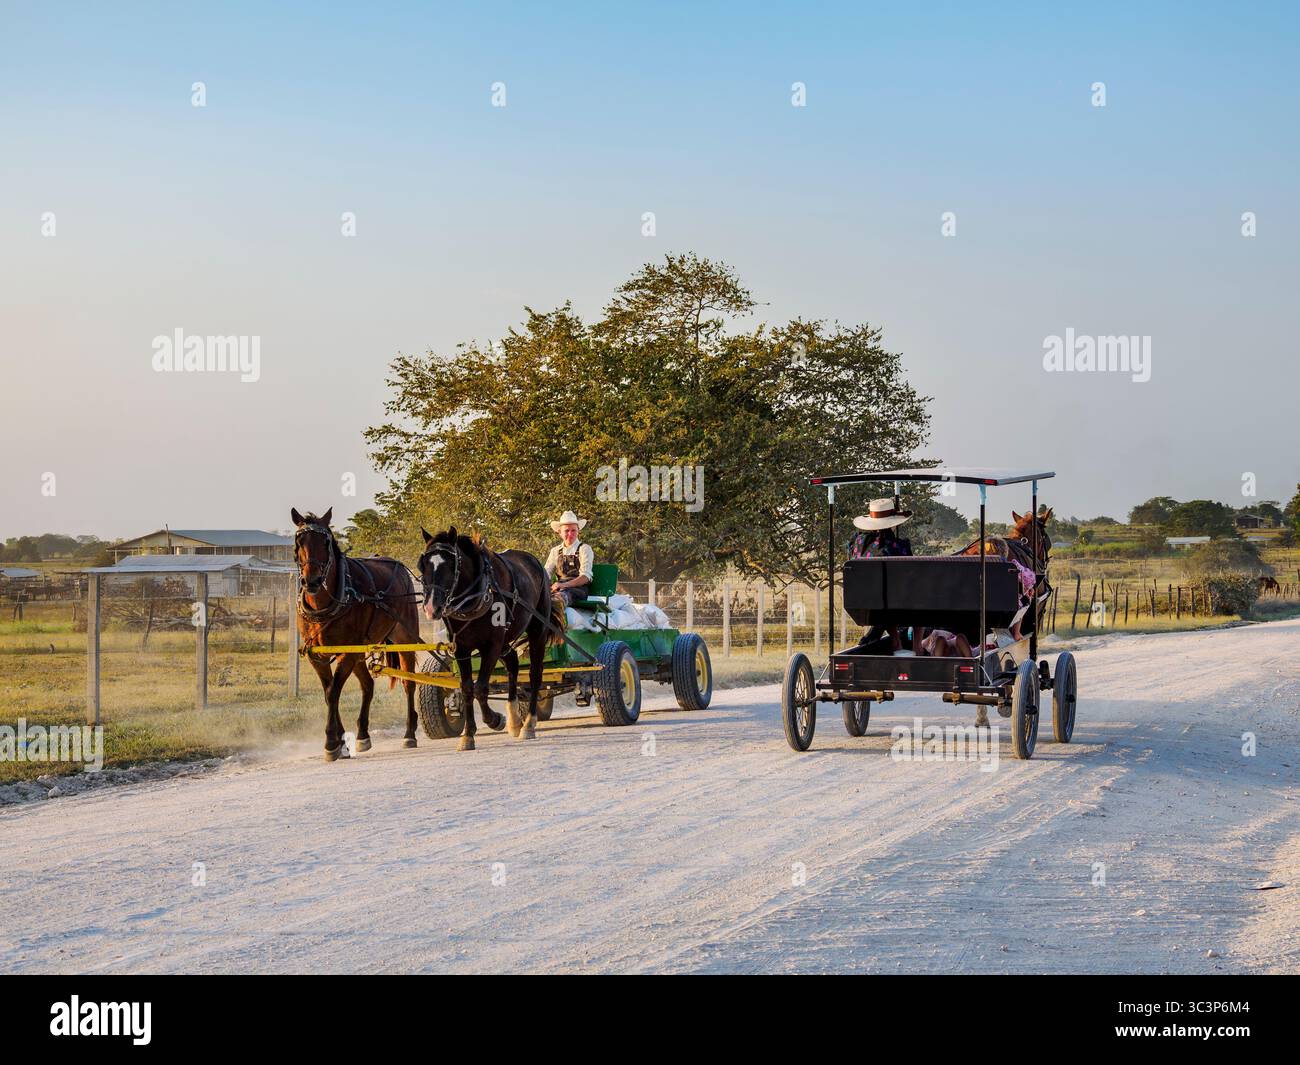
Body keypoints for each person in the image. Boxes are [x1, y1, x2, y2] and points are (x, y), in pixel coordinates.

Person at [847, 498, 914, 652]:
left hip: (863, 601)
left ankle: (892, 637)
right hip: (891, 603)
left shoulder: (857, 543)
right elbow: (910, 575)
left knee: (885, 598)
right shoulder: (898, 547)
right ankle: (915, 646)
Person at [544, 510, 595, 606]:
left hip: (578, 590)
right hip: (559, 588)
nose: (570, 534)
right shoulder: (555, 551)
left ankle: (559, 619)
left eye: (573, 530)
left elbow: (585, 577)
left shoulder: (585, 549)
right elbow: (546, 573)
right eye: (566, 531)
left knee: (559, 598)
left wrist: (563, 585)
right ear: (560, 532)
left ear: (578, 531)